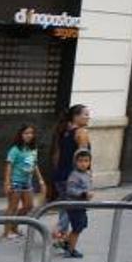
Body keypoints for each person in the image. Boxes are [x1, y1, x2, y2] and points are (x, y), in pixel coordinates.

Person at [49, 104, 90, 248]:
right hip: (73, 177)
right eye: (85, 114)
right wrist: (86, 176)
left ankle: (62, 236)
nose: (88, 117)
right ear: (76, 116)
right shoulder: (81, 132)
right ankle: (58, 233)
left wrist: (56, 172)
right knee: (70, 207)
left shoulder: (64, 131)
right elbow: (83, 157)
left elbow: (56, 156)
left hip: (60, 174)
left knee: (64, 206)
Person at [2, 124, 45, 239]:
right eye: (26, 133)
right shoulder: (15, 149)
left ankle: (14, 226)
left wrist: (40, 179)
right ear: (21, 135)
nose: (29, 135)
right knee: (12, 207)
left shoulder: (33, 149)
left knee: (29, 206)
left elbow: (34, 164)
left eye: (31, 133)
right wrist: (7, 182)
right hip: (15, 182)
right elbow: (9, 165)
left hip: (27, 183)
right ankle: (6, 232)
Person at [60, 149, 93, 258]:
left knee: (81, 226)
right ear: (75, 162)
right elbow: (70, 190)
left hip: (82, 206)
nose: (83, 164)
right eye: (80, 161)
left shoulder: (87, 174)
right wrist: (83, 194)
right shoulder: (74, 175)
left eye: (86, 161)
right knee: (77, 228)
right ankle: (70, 249)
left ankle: (67, 243)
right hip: (75, 206)